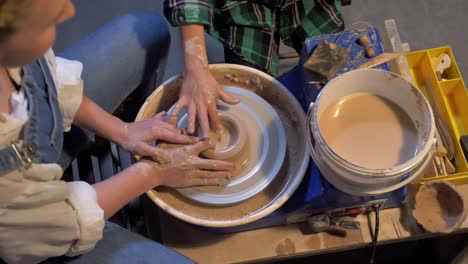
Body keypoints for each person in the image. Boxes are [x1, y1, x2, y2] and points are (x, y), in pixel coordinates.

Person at [0, 0, 234, 263]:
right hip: (35, 236)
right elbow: (43, 227)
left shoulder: (14, 48)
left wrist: (123, 131)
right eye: (47, 23)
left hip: (29, 172)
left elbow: (47, 77)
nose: (69, 12)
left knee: (149, 30)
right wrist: (152, 172)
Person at [164, 0, 345, 138]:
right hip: (246, 9)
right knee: (250, 99)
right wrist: (196, 65)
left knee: (332, 74)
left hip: (308, 5)